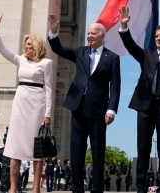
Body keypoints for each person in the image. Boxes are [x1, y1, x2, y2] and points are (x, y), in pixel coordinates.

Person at [48, 13, 121, 193]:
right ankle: (77, 189)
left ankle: (97, 189)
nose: (89, 36)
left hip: (98, 110)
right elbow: (59, 49)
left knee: (97, 153)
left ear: (102, 37)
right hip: (78, 107)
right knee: (77, 152)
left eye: (93, 33)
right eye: (88, 33)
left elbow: (116, 86)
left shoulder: (112, 58)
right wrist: (54, 31)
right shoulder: (80, 52)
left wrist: (112, 109)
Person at [118, 6, 160, 193]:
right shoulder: (146, 55)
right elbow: (131, 46)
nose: (158, 38)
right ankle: (141, 188)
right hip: (145, 108)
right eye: (157, 36)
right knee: (143, 149)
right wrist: (124, 27)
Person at [0, 14, 53, 193]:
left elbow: (49, 89)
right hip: (20, 102)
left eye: (29, 45)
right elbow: (3, 51)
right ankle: (13, 187)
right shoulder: (21, 60)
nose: (26, 47)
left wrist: (47, 114)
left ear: (36, 46)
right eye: (25, 45)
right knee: (15, 147)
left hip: (37, 104)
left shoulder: (46, 63)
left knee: (37, 148)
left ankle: (35, 188)